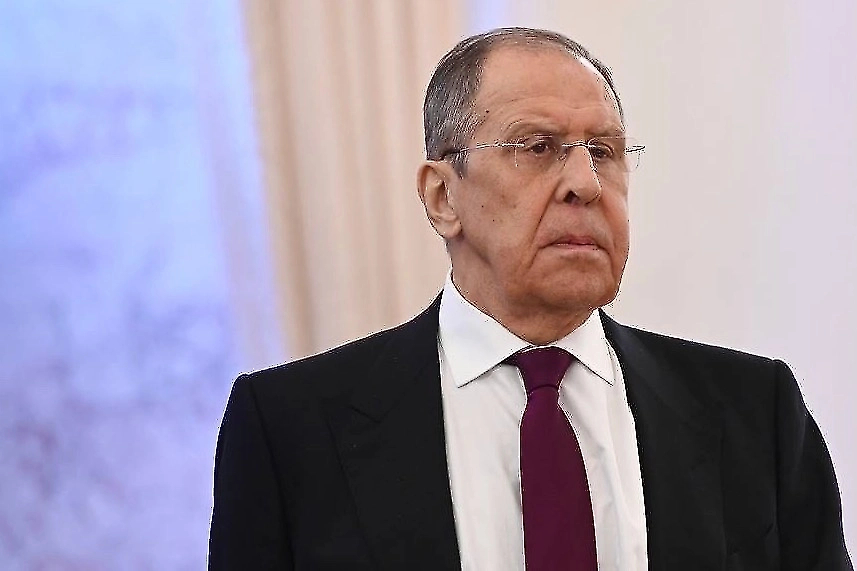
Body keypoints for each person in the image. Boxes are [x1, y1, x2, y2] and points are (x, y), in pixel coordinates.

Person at [209, 27, 852, 570]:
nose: (585, 183)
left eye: (604, 152)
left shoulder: (754, 411)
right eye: (538, 148)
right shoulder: (291, 430)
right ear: (443, 196)